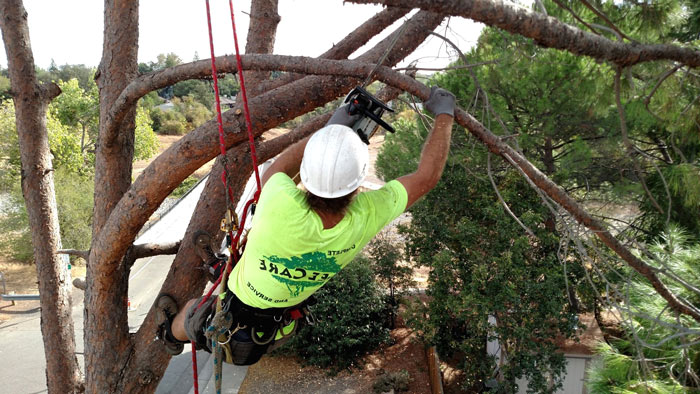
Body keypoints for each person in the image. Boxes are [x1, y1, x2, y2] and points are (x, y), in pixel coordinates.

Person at [155, 86, 456, 365]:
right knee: (243, 268)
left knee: (194, 311)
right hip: (280, 322)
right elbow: (427, 177)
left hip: (235, 318)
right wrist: (445, 114)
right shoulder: (367, 216)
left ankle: (169, 336)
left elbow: (283, 166)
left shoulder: (280, 201)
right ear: (357, 183)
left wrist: (331, 130)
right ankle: (219, 272)